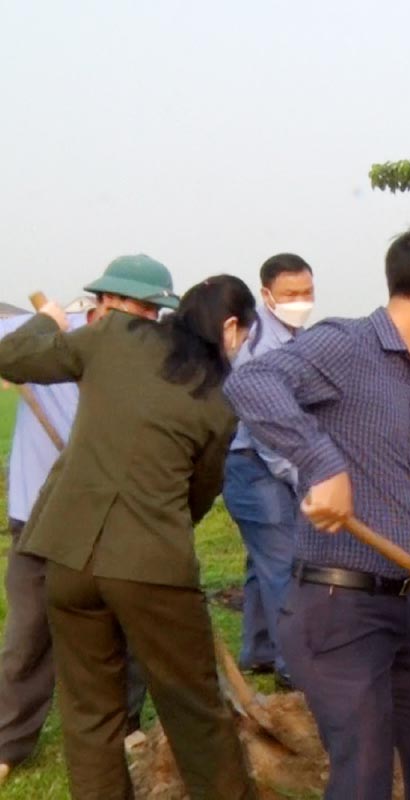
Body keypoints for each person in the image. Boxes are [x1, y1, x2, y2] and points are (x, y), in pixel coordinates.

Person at [224, 221, 410, 800]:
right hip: (337, 605)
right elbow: (253, 382)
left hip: (402, 602)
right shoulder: (345, 344)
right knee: (365, 771)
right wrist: (322, 462)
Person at [0, 270, 258, 799]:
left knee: (91, 711)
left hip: (67, 557)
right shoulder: (219, 399)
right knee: (194, 708)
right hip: (150, 563)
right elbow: (200, 492)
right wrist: (155, 527)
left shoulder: (111, 336)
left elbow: (11, 356)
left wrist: (45, 324)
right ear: (230, 329)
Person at [0, 255, 182, 784]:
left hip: (115, 515)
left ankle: (124, 724)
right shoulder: (49, 334)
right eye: (136, 307)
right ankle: (10, 738)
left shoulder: (155, 355)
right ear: (106, 302)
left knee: (123, 626)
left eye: (153, 311)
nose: (143, 318)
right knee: (30, 631)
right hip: (40, 512)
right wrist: (46, 323)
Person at [223, 253, 316, 688]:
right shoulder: (258, 346)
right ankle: (293, 667)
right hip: (256, 466)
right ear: (266, 295)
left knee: (263, 562)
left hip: (268, 464)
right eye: (289, 294)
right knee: (287, 565)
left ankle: (259, 650)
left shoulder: (296, 335)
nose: (300, 301)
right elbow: (264, 428)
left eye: (306, 292)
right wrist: (302, 477)